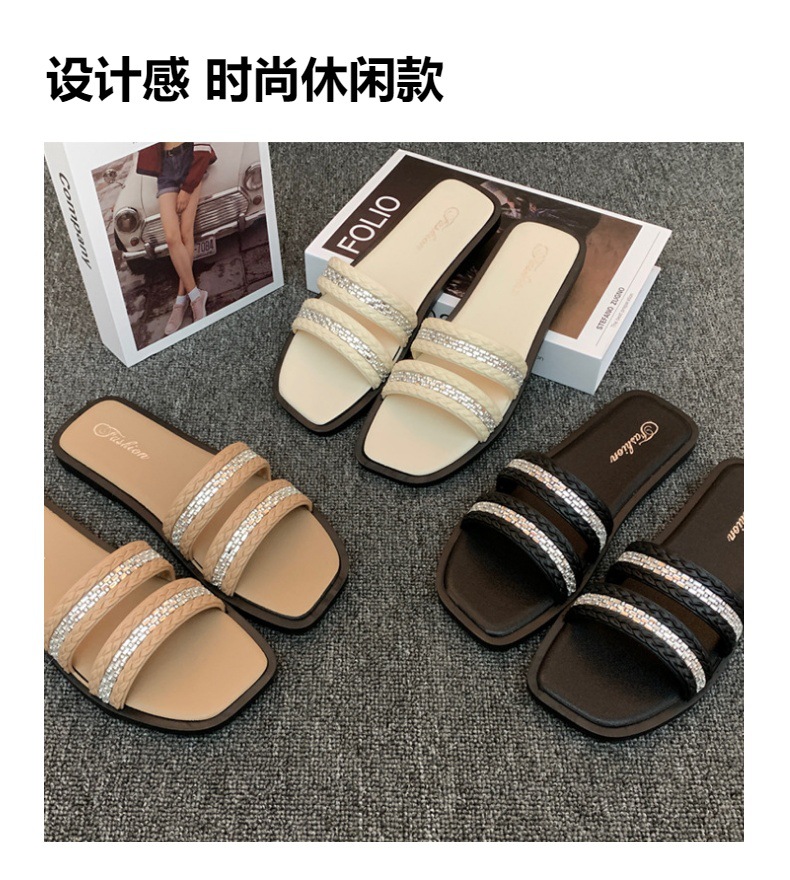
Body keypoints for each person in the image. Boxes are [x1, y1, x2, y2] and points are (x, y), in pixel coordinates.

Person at [136, 143, 217, 335]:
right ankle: (196, 295)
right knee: (172, 237)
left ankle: (182, 301)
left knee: (185, 232)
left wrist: (187, 190)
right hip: (166, 166)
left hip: (191, 158)